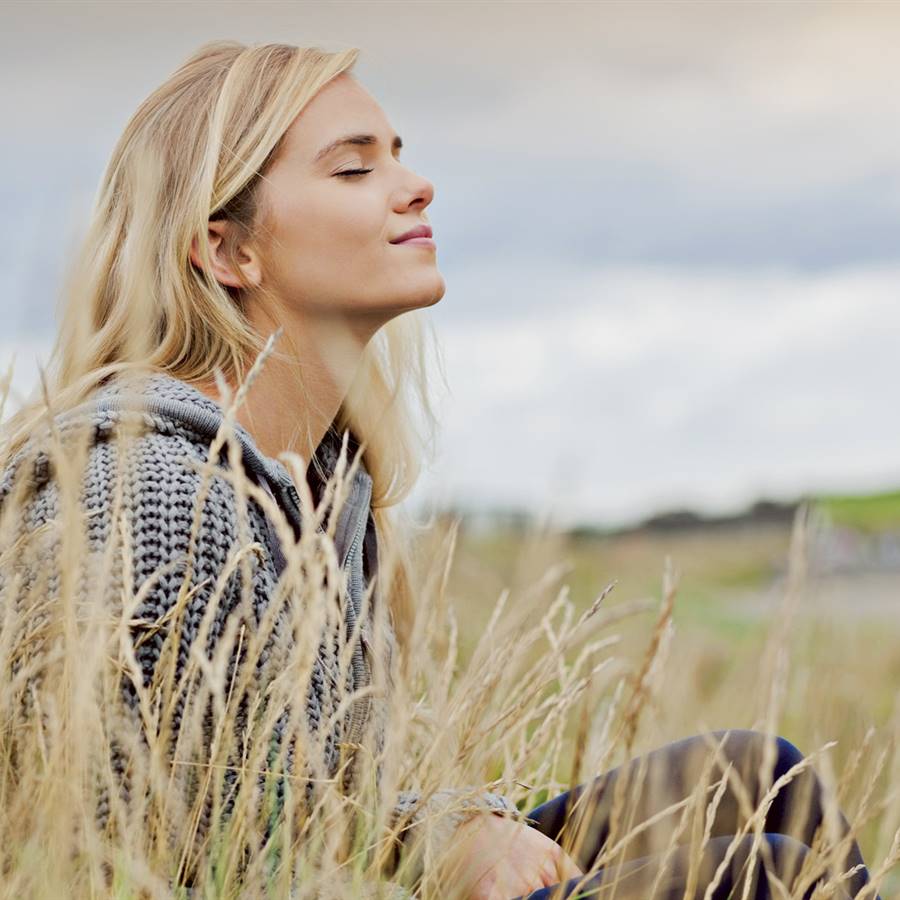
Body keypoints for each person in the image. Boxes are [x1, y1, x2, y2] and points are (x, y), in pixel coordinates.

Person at [0, 41, 880, 899]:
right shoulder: (147, 493)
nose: (415, 186)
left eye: (397, 157)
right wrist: (437, 843)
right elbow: (173, 855)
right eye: (353, 169)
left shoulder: (325, 484)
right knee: (767, 873)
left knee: (763, 776)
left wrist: (443, 828)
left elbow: (306, 806)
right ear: (227, 251)